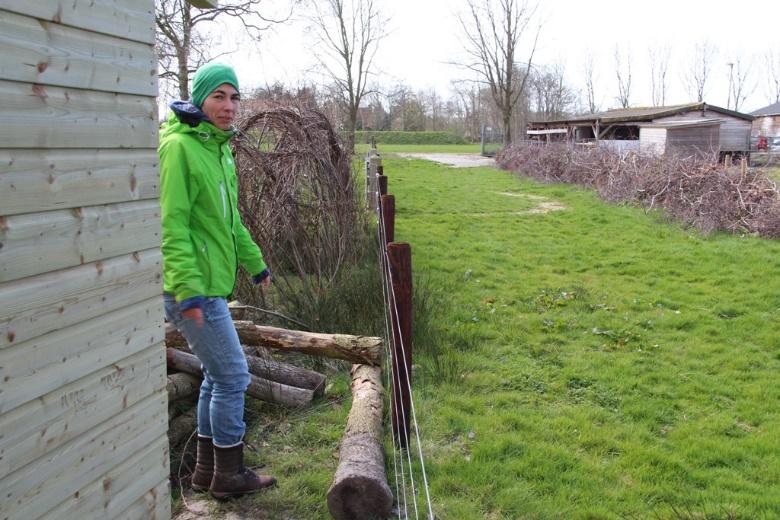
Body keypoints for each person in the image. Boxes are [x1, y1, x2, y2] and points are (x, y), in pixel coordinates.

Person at [159, 62, 276, 499]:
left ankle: (208, 473)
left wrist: (256, 264)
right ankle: (229, 474)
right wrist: (187, 289)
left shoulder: (217, 148)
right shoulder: (178, 148)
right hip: (193, 290)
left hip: (211, 284)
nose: (229, 107)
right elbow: (172, 226)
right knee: (233, 378)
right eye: (219, 97)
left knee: (214, 376)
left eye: (234, 97)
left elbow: (230, 222)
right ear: (200, 100)